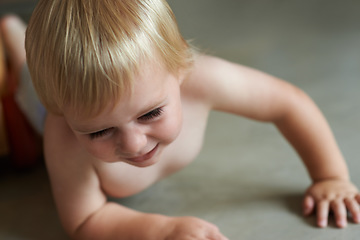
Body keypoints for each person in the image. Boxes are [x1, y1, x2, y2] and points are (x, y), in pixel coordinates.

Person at [1, 0, 360, 239]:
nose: (134, 143)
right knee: (26, 77)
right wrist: (160, 230)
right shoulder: (62, 132)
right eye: (99, 131)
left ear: (181, 68)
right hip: (41, 102)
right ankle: (15, 37)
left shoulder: (203, 78)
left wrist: (330, 176)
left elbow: (287, 104)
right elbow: (84, 220)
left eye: (151, 113)